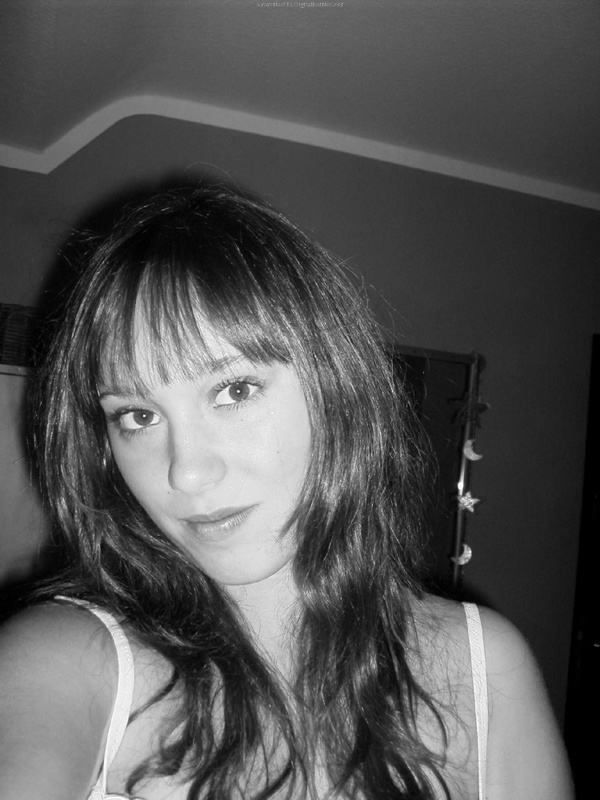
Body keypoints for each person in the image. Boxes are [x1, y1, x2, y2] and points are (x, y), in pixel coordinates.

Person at [0, 182, 572, 800]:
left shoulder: (485, 664)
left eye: (234, 390)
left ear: (335, 389)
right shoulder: (68, 659)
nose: (186, 473)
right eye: (137, 416)